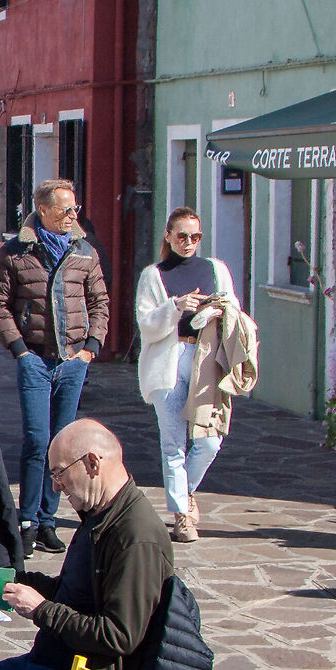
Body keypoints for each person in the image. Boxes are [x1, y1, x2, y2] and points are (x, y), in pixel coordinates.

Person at [0, 419, 173, 670]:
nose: (56, 486)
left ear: (92, 463)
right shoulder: (99, 516)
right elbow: (72, 593)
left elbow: (119, 635)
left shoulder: (135, 534)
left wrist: (41, 610)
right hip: (52, 665)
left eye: (59, 473)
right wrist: (14, 580)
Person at [0, 179, 109, 554]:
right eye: (66, 209)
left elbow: (99, 302)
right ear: (43, 210)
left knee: (64, 444)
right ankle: (27, 521)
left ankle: (48, 520)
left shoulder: (84, 252)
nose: (73, 215)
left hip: (73, 361)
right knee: (37, 441)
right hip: (35, 361)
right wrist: (20, 350)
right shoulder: (16, 252)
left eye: (75, 208)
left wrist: (90, 348)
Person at [133, 208, 243, 542]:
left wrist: (219, 308)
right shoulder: (155, 275)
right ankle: (182, 514)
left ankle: (186, 491)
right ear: (168, 236)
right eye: (182, 236)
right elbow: (147, 325)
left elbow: (234, 308)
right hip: (168, 359)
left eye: (195, 237)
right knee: (173, 444)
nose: (189, 243)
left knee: (210, 440)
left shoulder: (215, 269)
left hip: (206, 358)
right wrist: (177, 307)